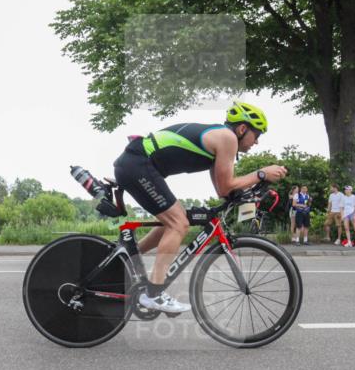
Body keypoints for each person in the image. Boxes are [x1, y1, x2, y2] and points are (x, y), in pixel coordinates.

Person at [113, 102, 287, 313]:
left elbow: (223, 191)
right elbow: (227, 185)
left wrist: (252, 192)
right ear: (243, 129)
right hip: (138, 164)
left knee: (175, 219)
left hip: (135, 164)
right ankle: (154, 294)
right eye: (257, 134)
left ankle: (127, 256)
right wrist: (260, 174)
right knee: (178, 223)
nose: (256, 142)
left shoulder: (221, 139)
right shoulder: (227, 138)